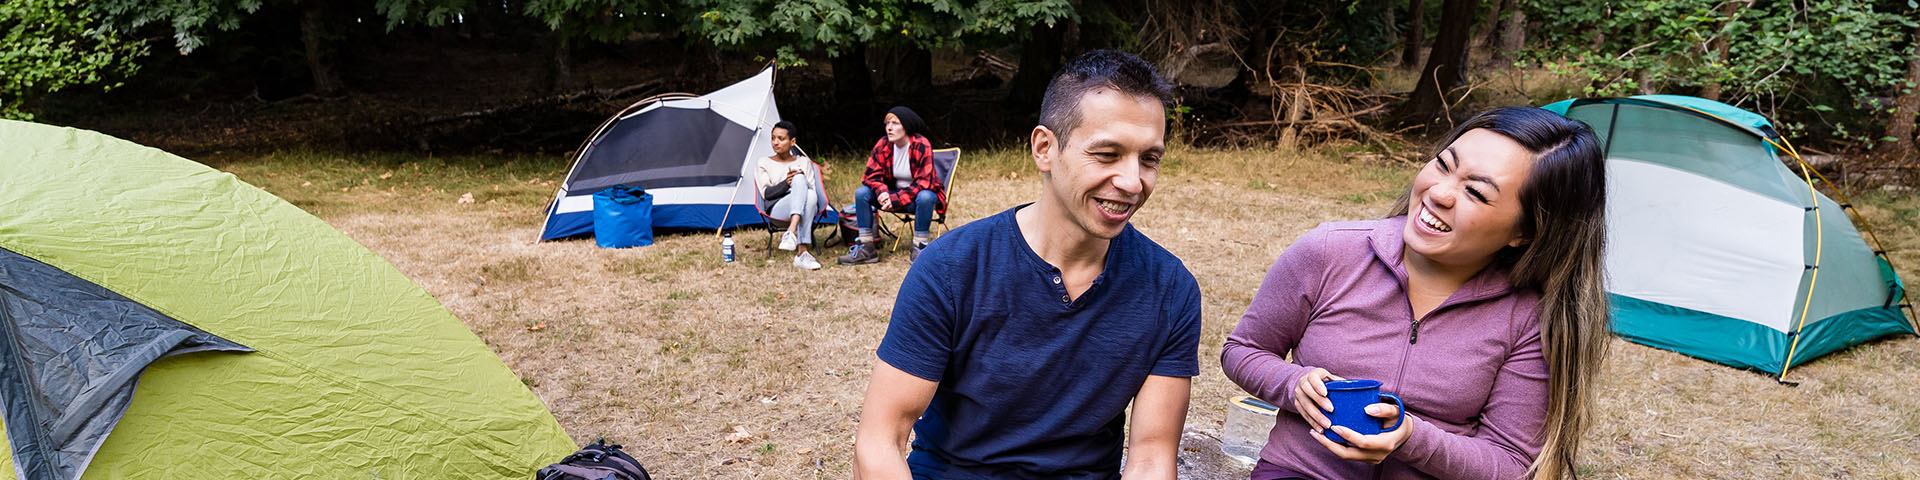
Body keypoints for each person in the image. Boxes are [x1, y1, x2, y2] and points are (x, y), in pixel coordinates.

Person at [852, 50, 1198, 480]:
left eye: (1149, 158)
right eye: (1107, 154)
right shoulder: (952, 269)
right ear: (1044, 148)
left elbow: (1150, 457)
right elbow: (880, 439)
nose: (1132, 182)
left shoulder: (1170, 289)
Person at [1220, 107, 1611, 480]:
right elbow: (1243, 350)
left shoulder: (1530, 317)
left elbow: (1510, 464)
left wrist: (1409, 437)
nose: (1439, 193)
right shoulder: (1328, 251)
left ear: (1524, 232)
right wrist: (1293, 384)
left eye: (1475, 192)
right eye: (1443, 165)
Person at [837, 106, 945, 265]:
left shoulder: (921, 144)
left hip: (916, 199)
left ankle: (919, 247)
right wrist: (882, 193)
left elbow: (924, 182)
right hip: (891, 195)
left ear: (907, 126)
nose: (889, 127)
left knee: (926, 196)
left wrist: (895, 199)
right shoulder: (883, 144)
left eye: (895, 123)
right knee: (862, 193)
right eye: (887, 123)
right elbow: (871, 175)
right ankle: (866, 248)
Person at [756, 121, 824, 270]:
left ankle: (801, 251)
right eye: (773, 138)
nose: (775, 142)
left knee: (810, 193)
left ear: (792, 142)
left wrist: (795, 180)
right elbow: (767, 194)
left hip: (805, 207)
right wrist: (787, 183)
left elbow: (810, 192)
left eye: (781, 139)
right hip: (778, 211)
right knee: (798, 178)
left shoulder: (803, 161)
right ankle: (793, 232)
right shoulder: (763, 162)